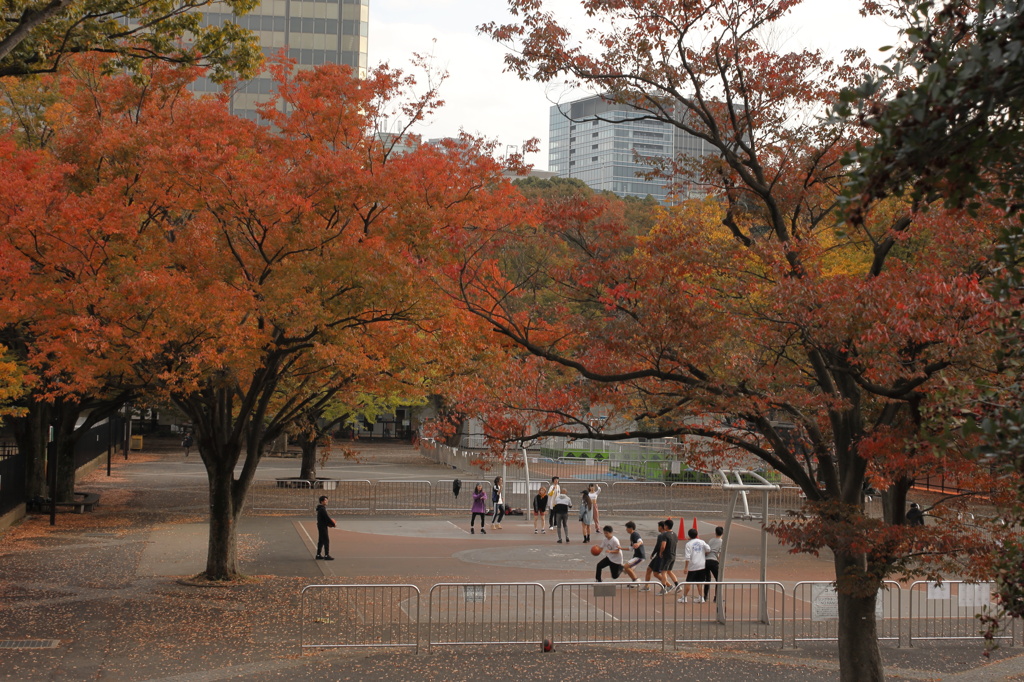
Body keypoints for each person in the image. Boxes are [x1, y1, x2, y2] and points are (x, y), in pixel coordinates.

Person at [678, 528, 712, 604]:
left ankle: (684, 597)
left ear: (689, 536)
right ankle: (701, 597)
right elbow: (708, 549)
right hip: (701, 565)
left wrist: (686, 567)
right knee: (700, 582)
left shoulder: (688, 544)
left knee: (688, 582)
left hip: (693, 565)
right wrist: (705, 552)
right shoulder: (702, 542)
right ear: (697, 535)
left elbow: (687, 557)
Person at [641, 521, 666, 592]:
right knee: (649, 569)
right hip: (659, 556)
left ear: (661, 527)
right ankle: (647, 586)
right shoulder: (666, 535)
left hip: (660, 556)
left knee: (656, 573)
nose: (658, 528)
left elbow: (658, 546)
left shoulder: (661, 536)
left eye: (658, 526)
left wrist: (653, 553)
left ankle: (668, 585)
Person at [622, 521, 646, 586]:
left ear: (631, 528)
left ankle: (636, 581)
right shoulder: (632, 536)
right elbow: (631, 548)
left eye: (627, 528)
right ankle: (634, 581)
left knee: (626, 567)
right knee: (628, 569)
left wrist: (638, 544)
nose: (626, 529)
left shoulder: (635, 534)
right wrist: (620, 548)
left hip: (639, 557)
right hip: (636, 556)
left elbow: (640, 541)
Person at [704, 526, 724, 601]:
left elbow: (707, 550)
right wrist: (720, 562)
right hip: (714, 561)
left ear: (715, 532)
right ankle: (716, 597)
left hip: (706, 560)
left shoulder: (711, 540)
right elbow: (720, 553)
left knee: (707, 579)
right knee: (718, 579)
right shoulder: (722, 542)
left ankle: (705, 596)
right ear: (722, 533)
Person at [315, 495, 336, 560]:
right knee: (326, 540)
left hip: (321, 525)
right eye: (325, 500)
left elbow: (324, 519)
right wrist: (333, 524)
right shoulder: (322, 509)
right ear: (321, 501)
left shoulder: (321, 509)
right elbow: (327, 518)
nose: (326, 501)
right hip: (322, 526)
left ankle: (318, 554)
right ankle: (326, 555)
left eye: (327, 500)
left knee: (321, 540)